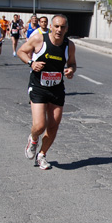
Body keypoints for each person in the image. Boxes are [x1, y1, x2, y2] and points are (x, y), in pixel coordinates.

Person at [17, 14, 77, 170]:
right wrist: (31, 63)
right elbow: (21, 52)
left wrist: (71, 70)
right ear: (51, 26)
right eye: (56, 26)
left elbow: (72, 63)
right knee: (39, 125)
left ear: (66, 29)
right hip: (38, 87)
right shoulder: (39, 39)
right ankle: (33, 138)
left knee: (53, 126)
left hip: (57, 88)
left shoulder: (69, 45)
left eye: (62, 27)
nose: (59, 30)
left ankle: (42, 155)